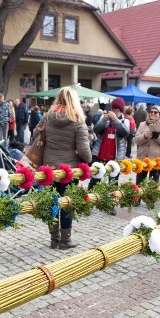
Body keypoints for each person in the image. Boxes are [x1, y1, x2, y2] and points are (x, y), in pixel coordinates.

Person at [32, 86, 91, 249]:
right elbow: (84, 150)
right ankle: (66, 240)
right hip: (69, 170)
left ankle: (54, 239)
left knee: (52, 202)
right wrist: (88, 160)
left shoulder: (47, 117)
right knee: (67, 203)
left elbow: (34, 134)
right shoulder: (78, 120)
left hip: (49, 169)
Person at [89, 97, 130, 202]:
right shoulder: (104, 118)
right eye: (113, 109)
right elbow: (96, 129)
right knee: (95, 178)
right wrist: (104, 119)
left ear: (121, 111)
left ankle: (111, 203)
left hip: (115, 156)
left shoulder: (125, 121)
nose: (114, 112)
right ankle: (89, 199)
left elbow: (125, 133)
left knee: (113, 181)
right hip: (100, 154)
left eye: (117, 110)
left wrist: (116, 120)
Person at [134, 106, 160, 184]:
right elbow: (136, 140)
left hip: (156, 160)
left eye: (155, 112)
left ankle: (151, 196)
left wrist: (157, 136)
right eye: (151, 112)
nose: (153, 113)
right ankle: (139, 196)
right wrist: (145, 136)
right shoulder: (142, 124)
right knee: (140, 183)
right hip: (143, 158)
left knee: (153, 184)